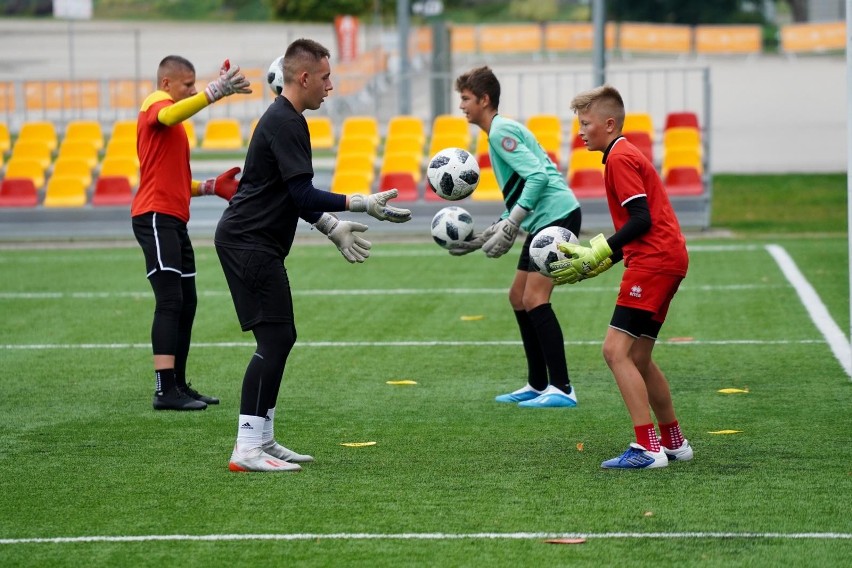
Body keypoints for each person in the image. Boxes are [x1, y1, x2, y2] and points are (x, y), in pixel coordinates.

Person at [215, 38, 411, 473]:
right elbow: (302, 192)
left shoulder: (288, 119)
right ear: (303, 78)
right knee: (275, 339)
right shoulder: (286, 122)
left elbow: (295, 199)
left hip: (251, 240)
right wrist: (359, 203)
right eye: (325, 77)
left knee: (280, 337)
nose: (331, 86)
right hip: (249, 242)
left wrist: (332, 228)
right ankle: (246, 447)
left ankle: (262, 439)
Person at [550, 84, 693, 469]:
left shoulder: (619, 158)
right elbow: (642, 226)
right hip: (666, 258)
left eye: (585, 123)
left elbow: (641, 220)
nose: (579, 131)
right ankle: (673, 442)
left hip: (654, 261)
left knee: (614, 351)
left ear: (609, 124)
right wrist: (600, 262)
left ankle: (648, 449)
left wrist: (598, 251)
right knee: (640, 356)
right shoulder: (624, 154)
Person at [451, 66, 582, 408]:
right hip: (544, 219)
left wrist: (513, 223)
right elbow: (523, 187)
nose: (462, 106)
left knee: (536, 298)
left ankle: (563, 388)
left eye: (465, 99)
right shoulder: (497, 131)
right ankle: (538, 384)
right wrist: (489, 233)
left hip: (558, 215)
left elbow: (538, 177)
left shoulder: (499, 132)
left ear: (484, 99)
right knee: (517, 296)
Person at [132, 55, 252, 411]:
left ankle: (178, 386)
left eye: (196, 84)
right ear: (167, 83)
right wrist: (215, 93)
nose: (193, 90)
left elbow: (177, 181)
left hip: (171, 217)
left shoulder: (173, 120)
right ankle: (164, 390)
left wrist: (211, 186)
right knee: (170, 300)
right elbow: (169, 114)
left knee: (187, 302)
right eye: (187, 85)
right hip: (154, 216)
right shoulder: (157, 102)